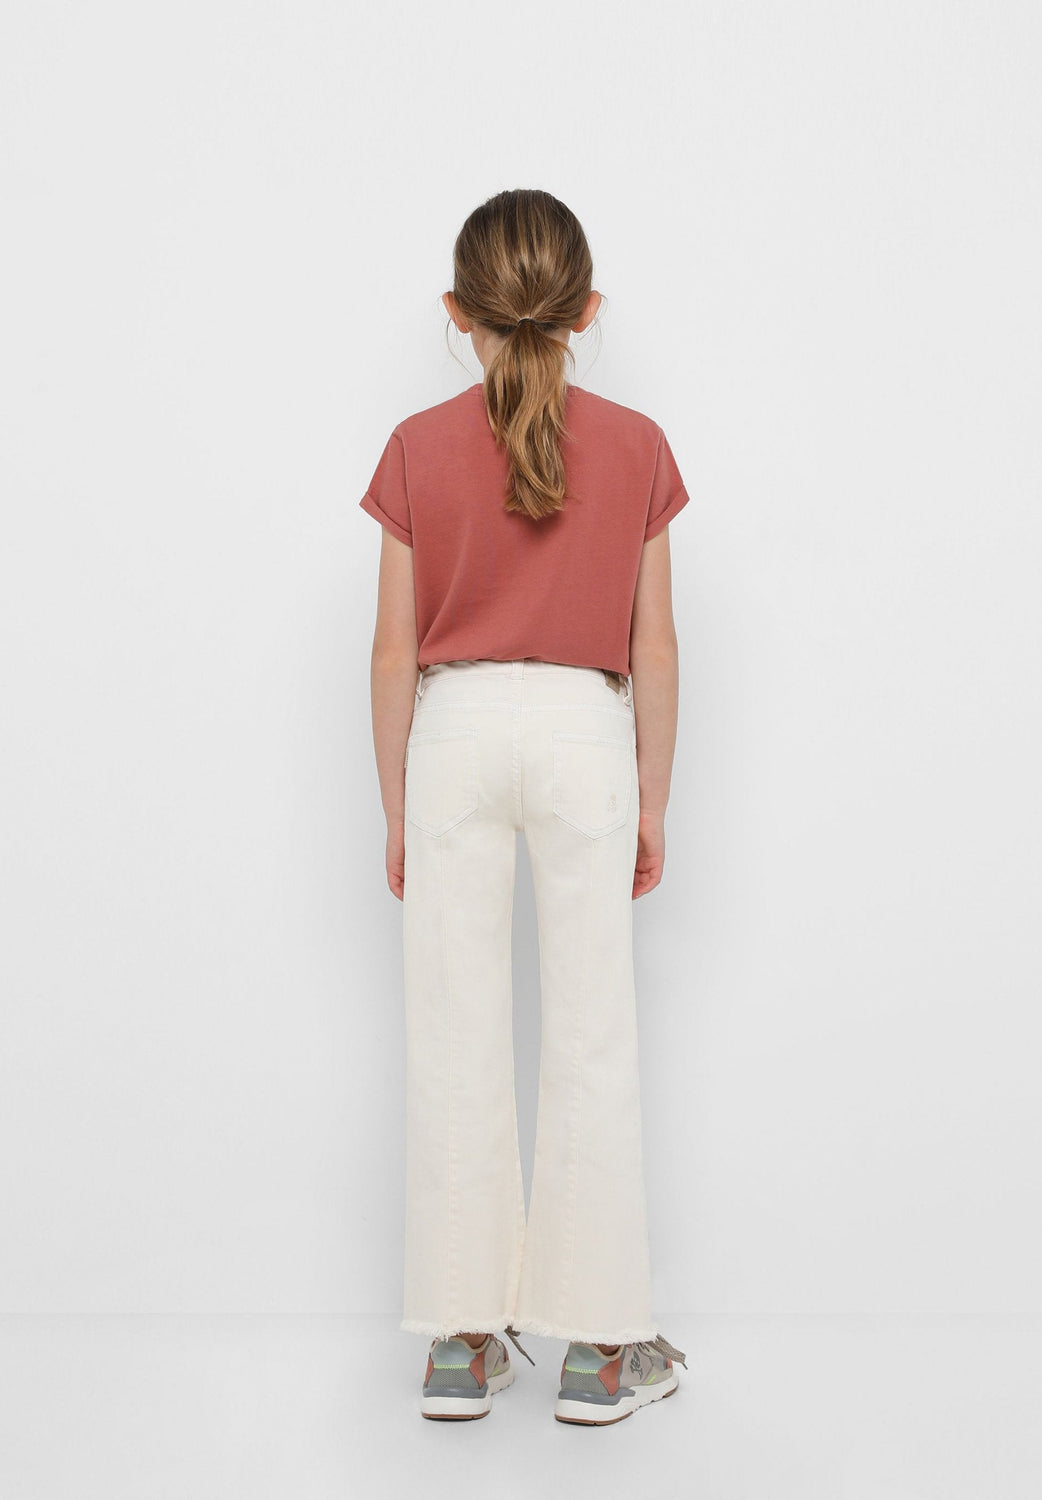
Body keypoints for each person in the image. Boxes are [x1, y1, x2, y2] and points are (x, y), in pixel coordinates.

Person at [359, 188, 690, 1425]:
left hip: (451, 737)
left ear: (458, 312)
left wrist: (396, 803)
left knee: (454, 1032)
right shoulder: (639, 445)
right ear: (587, 309)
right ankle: (601, 1353)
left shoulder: (414, 445)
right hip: (582, 735)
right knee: (591, 1034)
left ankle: (460, 1343)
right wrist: (651, 799)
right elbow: (653, 646)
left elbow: (393, 651)